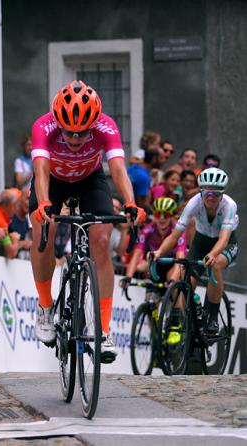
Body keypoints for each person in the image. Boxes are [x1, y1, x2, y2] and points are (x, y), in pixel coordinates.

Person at [29, 80, 144, 363]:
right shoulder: (43, 127)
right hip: (53, 182)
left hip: (90, 181)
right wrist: (43, 201)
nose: (75, 137)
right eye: (69, 131)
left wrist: (130, 201)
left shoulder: (107, 127)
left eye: (82, 132)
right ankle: (45, 306)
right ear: (58, 122)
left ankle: (103, 329)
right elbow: (41, 170)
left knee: (102, 241)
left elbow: (117, 168)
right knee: (44, 229)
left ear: (94, 124)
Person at [151, 168, 238, 335]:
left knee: (215, 265)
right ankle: (188, 312)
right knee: (185, 274)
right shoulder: (194, 203)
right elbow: (175, 235)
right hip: (201, 241)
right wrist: (159, 252)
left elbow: (224, 239)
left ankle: (212, 317)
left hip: (225, 243)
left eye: (216, 193)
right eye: (207, 193)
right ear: (201, 191)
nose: (211, 197)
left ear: (222, 194)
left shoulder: (229, 205)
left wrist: (212, 255)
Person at [121, 197, 186, 289]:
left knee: (172, 282)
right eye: (158, 214)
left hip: (174, 264)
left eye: (166, 215)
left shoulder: (177, 230)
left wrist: (172, 280)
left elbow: (180, 259)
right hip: (156, 264)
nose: (161, 218)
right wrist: (128, 277)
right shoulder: (148, 229)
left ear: (172, 216)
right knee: (142, 267)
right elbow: (137, 255)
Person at [127, 147, 158, 212]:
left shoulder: (133, 168)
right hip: (135, 212)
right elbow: (141, 204)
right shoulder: (144, 177)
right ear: (154, 159)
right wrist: (156, 212)